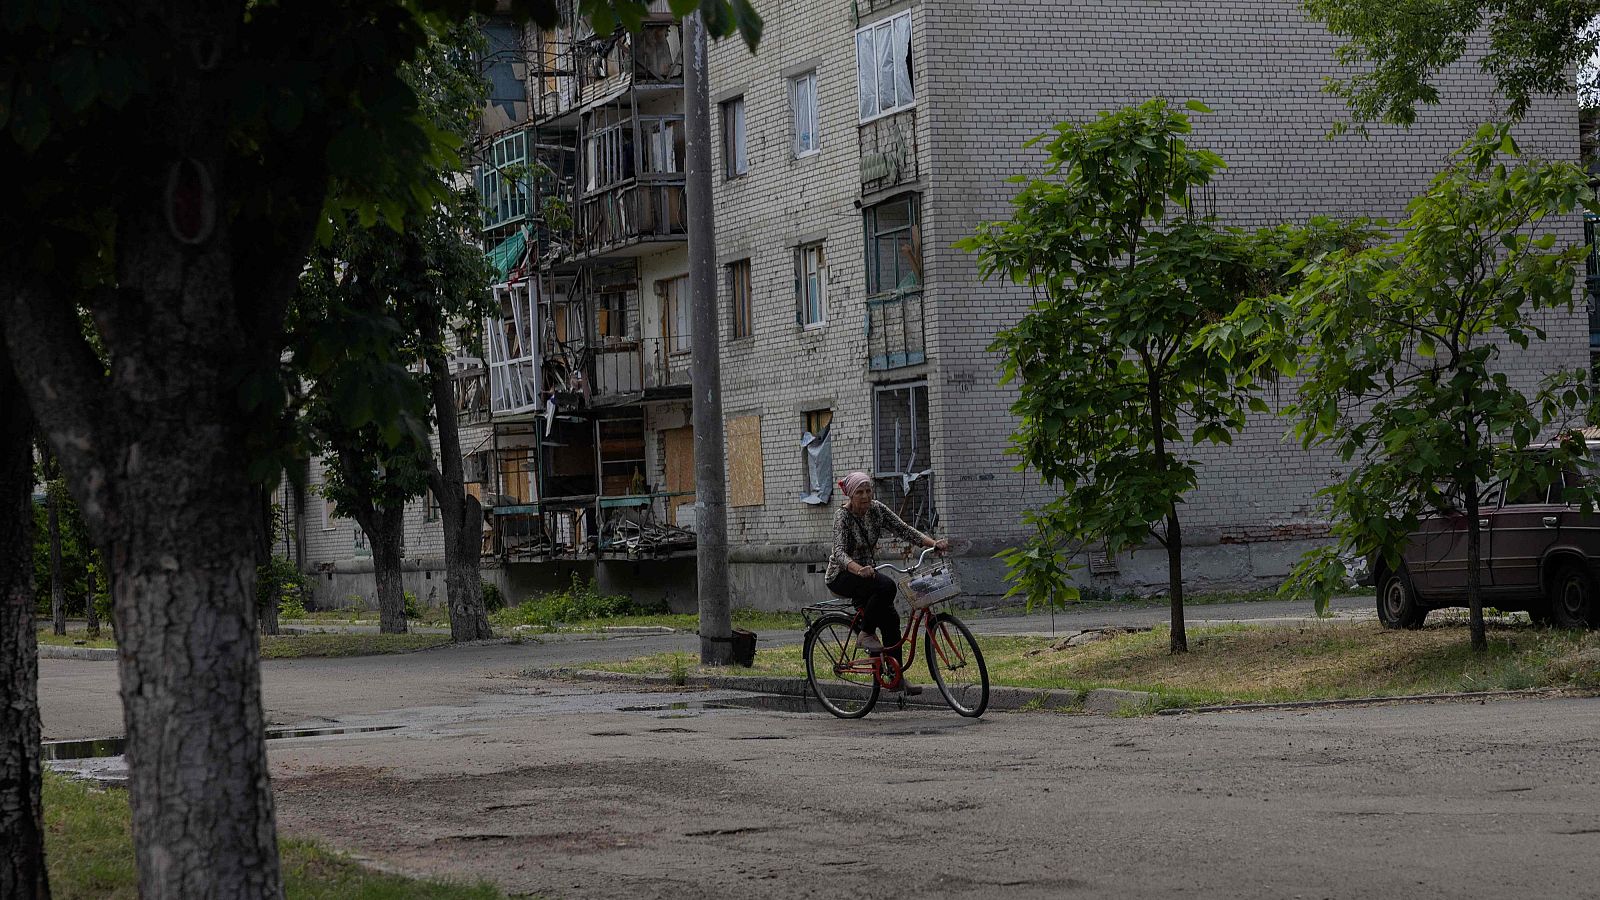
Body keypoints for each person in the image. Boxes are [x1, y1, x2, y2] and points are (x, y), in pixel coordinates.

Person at [825, 471, 949, 695]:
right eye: (859, 492)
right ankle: (866, 633)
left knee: (891, 618)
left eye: (868, 491)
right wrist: (858, 569)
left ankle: (895, 676)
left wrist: (933, 544)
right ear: (851, 496)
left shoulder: (877, 510)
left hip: (868, 574)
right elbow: (840, 553)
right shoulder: (841, 517)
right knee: (887, 586)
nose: (865, 496)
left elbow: (903, 529)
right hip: (842, 575)